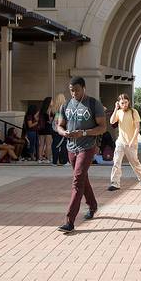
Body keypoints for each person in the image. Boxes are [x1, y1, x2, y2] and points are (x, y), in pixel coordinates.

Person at [55, 76, 106, 233]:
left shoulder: (93, 103)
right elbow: (59, 125)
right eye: (71, 90)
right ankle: (93, 205)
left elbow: (102, 127)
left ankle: (69, 221)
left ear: (84, 88)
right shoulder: (66, 105)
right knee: (82, 178)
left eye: (76, 90)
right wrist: (64, 133)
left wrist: (83, 132)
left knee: (77, 181)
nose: (74, 93)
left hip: (87, 147)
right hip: (71, 148)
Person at [108, 94, 141, 191]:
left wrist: (132, 140)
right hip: (120, 142)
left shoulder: (133, 112)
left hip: (131, 143)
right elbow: (112, 121)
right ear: (119, 103)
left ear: (128, 102)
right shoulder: (118, 112)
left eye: (126, 102)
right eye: (122, 103)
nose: (124, 104)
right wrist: (115, 109)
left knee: (134, 163)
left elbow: (137, 128)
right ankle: (115, 183)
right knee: (116, 162)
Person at [51, 93, 68, 165]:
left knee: (55, 145)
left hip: (55, 129)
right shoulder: (65, 108)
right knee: (64, 145)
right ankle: (63, 161)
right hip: (62, 129)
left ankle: (55, 161)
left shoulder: (53, 109)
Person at [37, 97, 54, 163]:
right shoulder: (49, 110)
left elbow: (36, 117)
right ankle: (48, 158)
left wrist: (39, 121)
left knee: (41, 144)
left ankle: (40, 159)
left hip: (41, 128)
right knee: (48, 144)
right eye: (52, 101)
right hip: (47, 128)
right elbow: (50, 120)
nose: (53, 102)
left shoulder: (41, 109)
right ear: (49, 102)